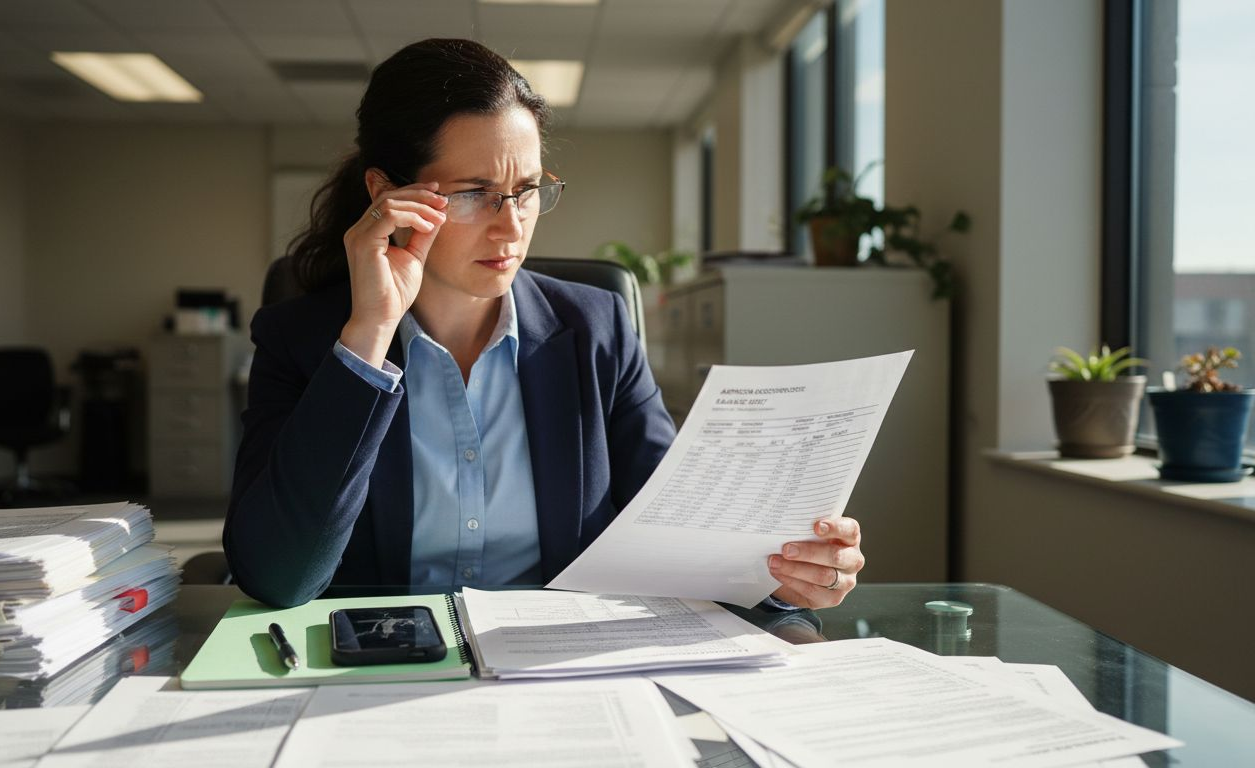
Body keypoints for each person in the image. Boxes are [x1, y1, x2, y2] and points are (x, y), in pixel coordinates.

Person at [224, 38, 866, 610]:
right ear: (386, 195)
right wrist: (368, 337)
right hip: (377, 679)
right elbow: (280, 576)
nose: (511, 226)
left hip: (559, 677)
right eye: (473, 193)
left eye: (527, 190)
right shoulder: (302, 341)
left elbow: (680, 532)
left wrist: (780, 576)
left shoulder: (595, 329)